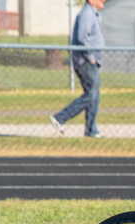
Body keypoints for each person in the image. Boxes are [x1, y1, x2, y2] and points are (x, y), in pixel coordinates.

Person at [50, 0, 105, 138]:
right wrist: (90, 57)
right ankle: (60, 118)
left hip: (91, 61)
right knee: (91, 95)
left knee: (94, 95)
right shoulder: (87, 14)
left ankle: (91, 130)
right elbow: (82, 38)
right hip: (85, 61)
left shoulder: (94, 14)